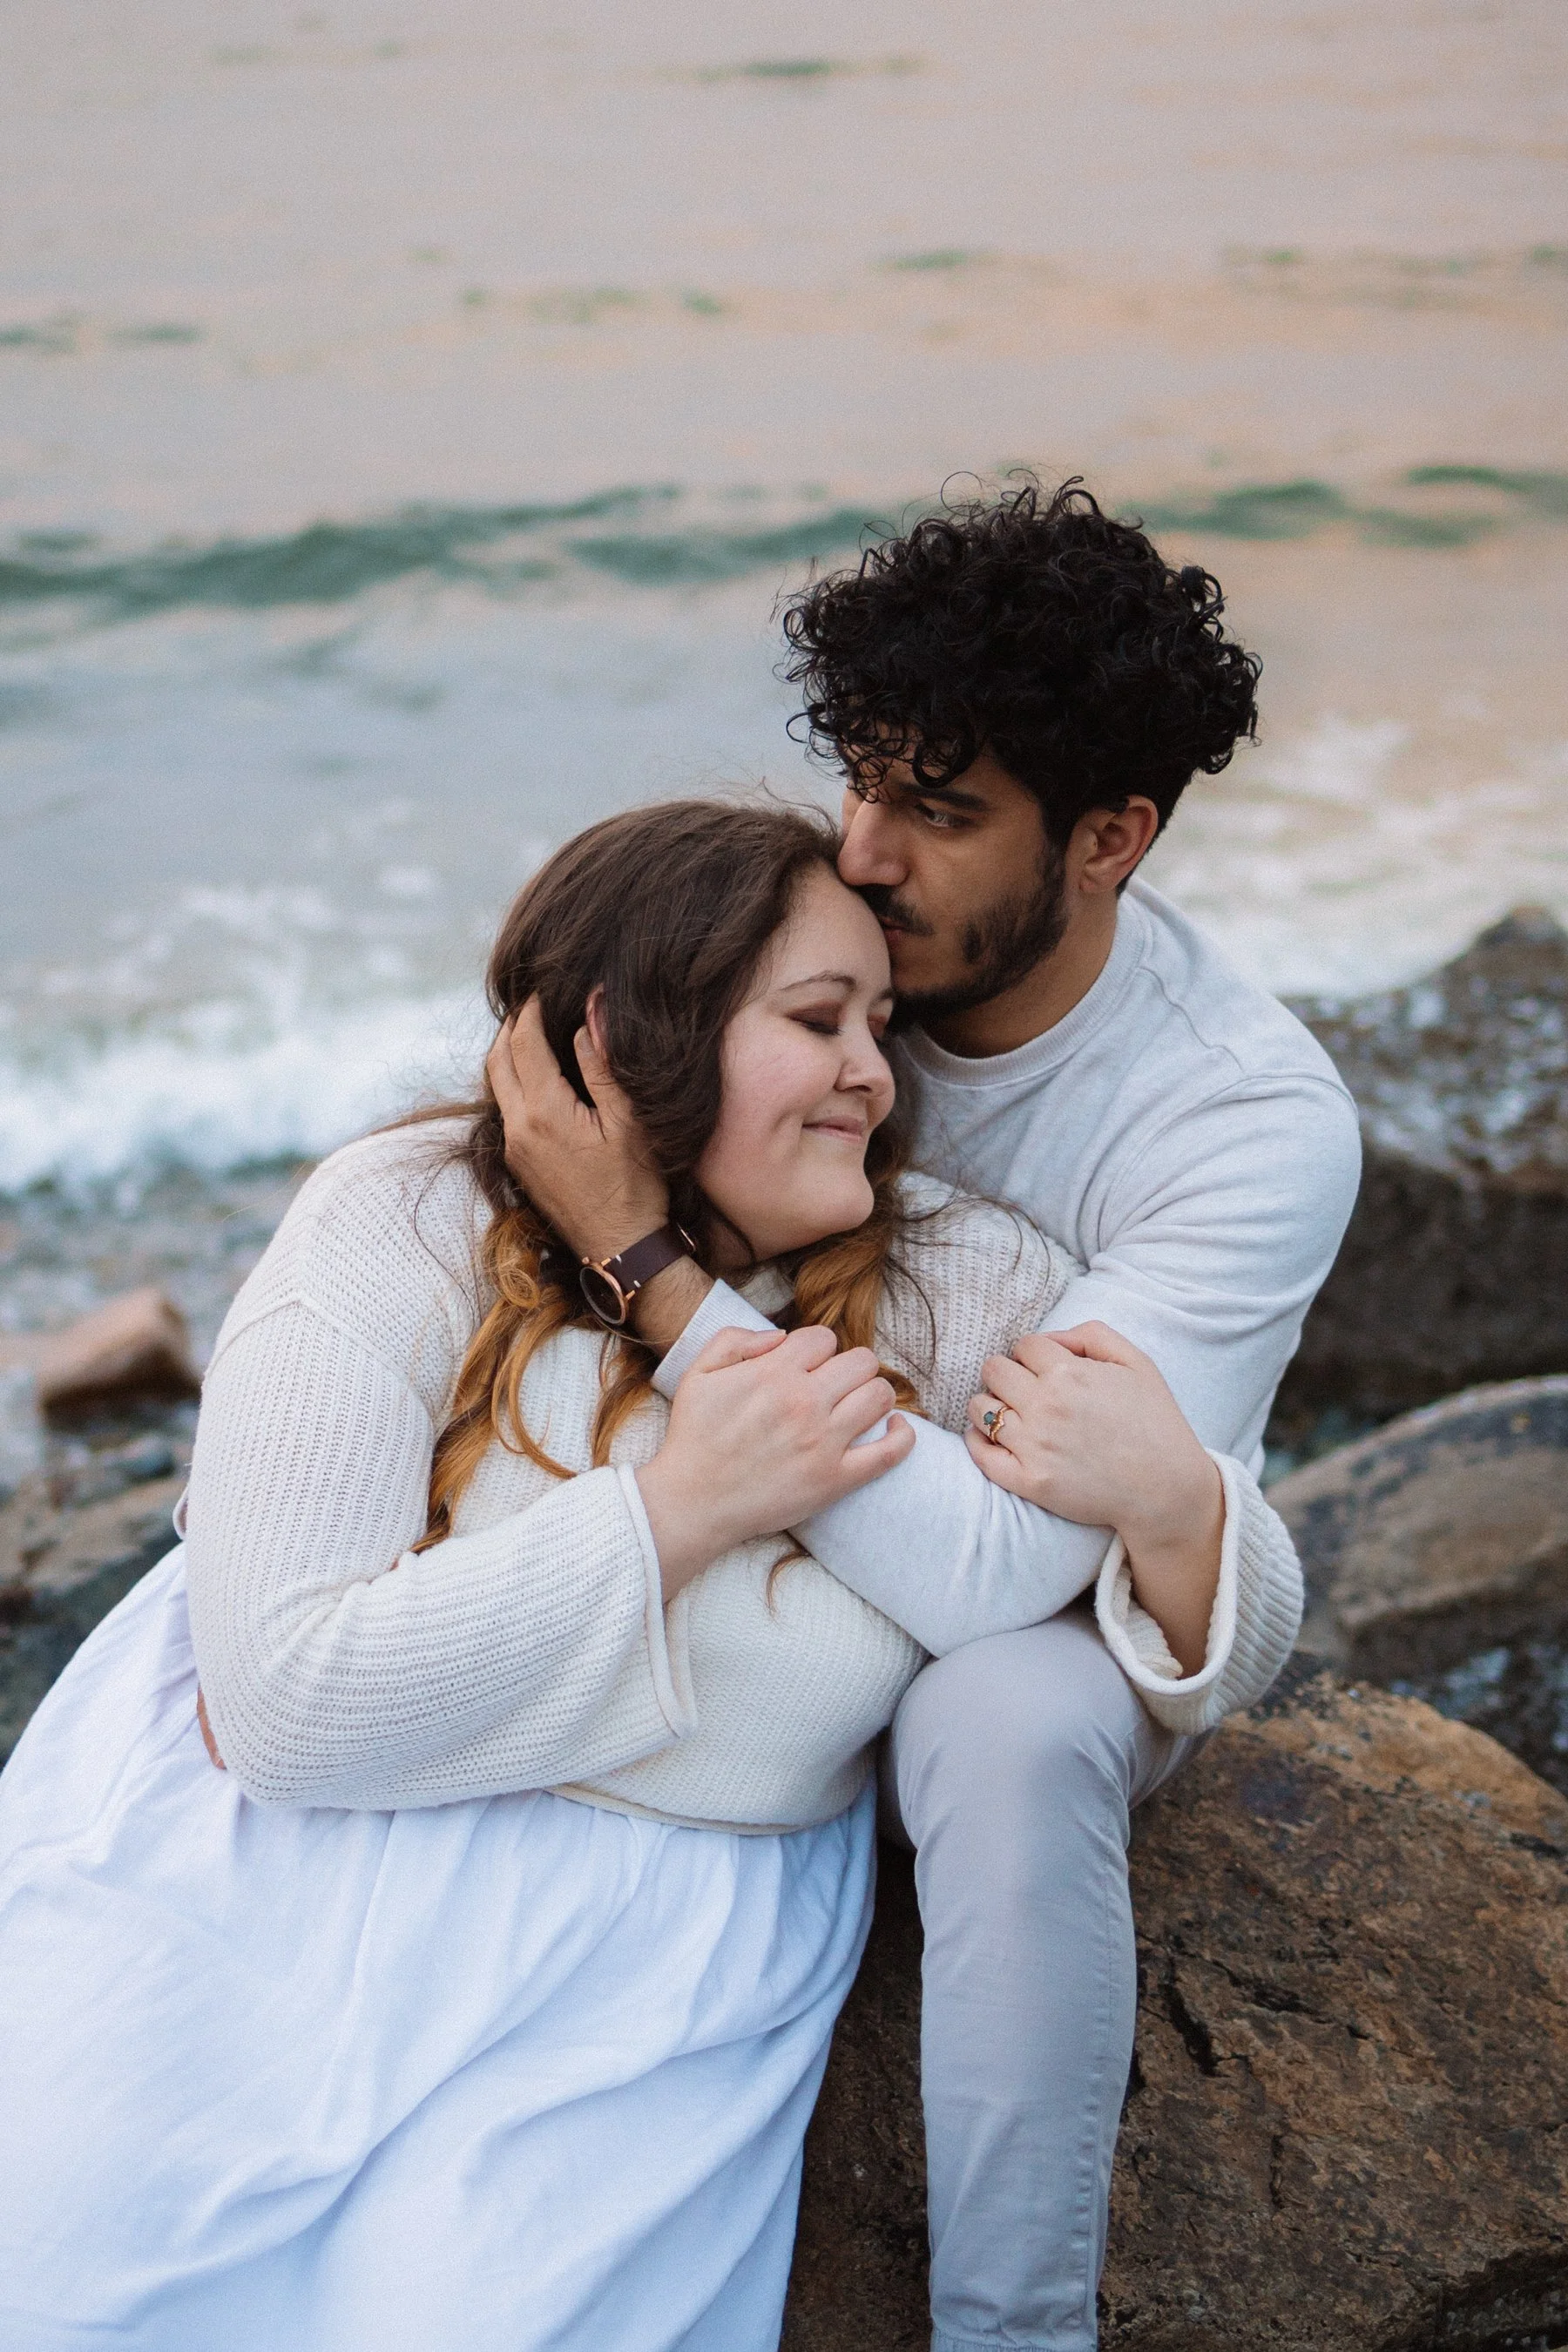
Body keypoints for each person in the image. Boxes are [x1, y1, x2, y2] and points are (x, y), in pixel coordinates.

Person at [0, 801, 1301, 2352]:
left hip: (655, 1962)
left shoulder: (962, 1287)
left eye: (883, 1024)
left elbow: (1056, 1586)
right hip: (261, 1887)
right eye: (819, 1021)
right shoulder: (407, 1217)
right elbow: (287, 1705)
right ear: (629, 1040)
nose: (879, 1077)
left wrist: (1191, 1505)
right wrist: (680, 1512)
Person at [490, 484, 1363, 2352]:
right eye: (862, 783)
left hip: (1034, 1607)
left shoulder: (1233, 1122)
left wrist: (651, 1264)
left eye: (941, 814)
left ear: (1114, 837)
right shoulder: (778, 951)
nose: (867, 857)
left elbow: (993, 1578)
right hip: (745, 1531)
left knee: (1009, 1712)